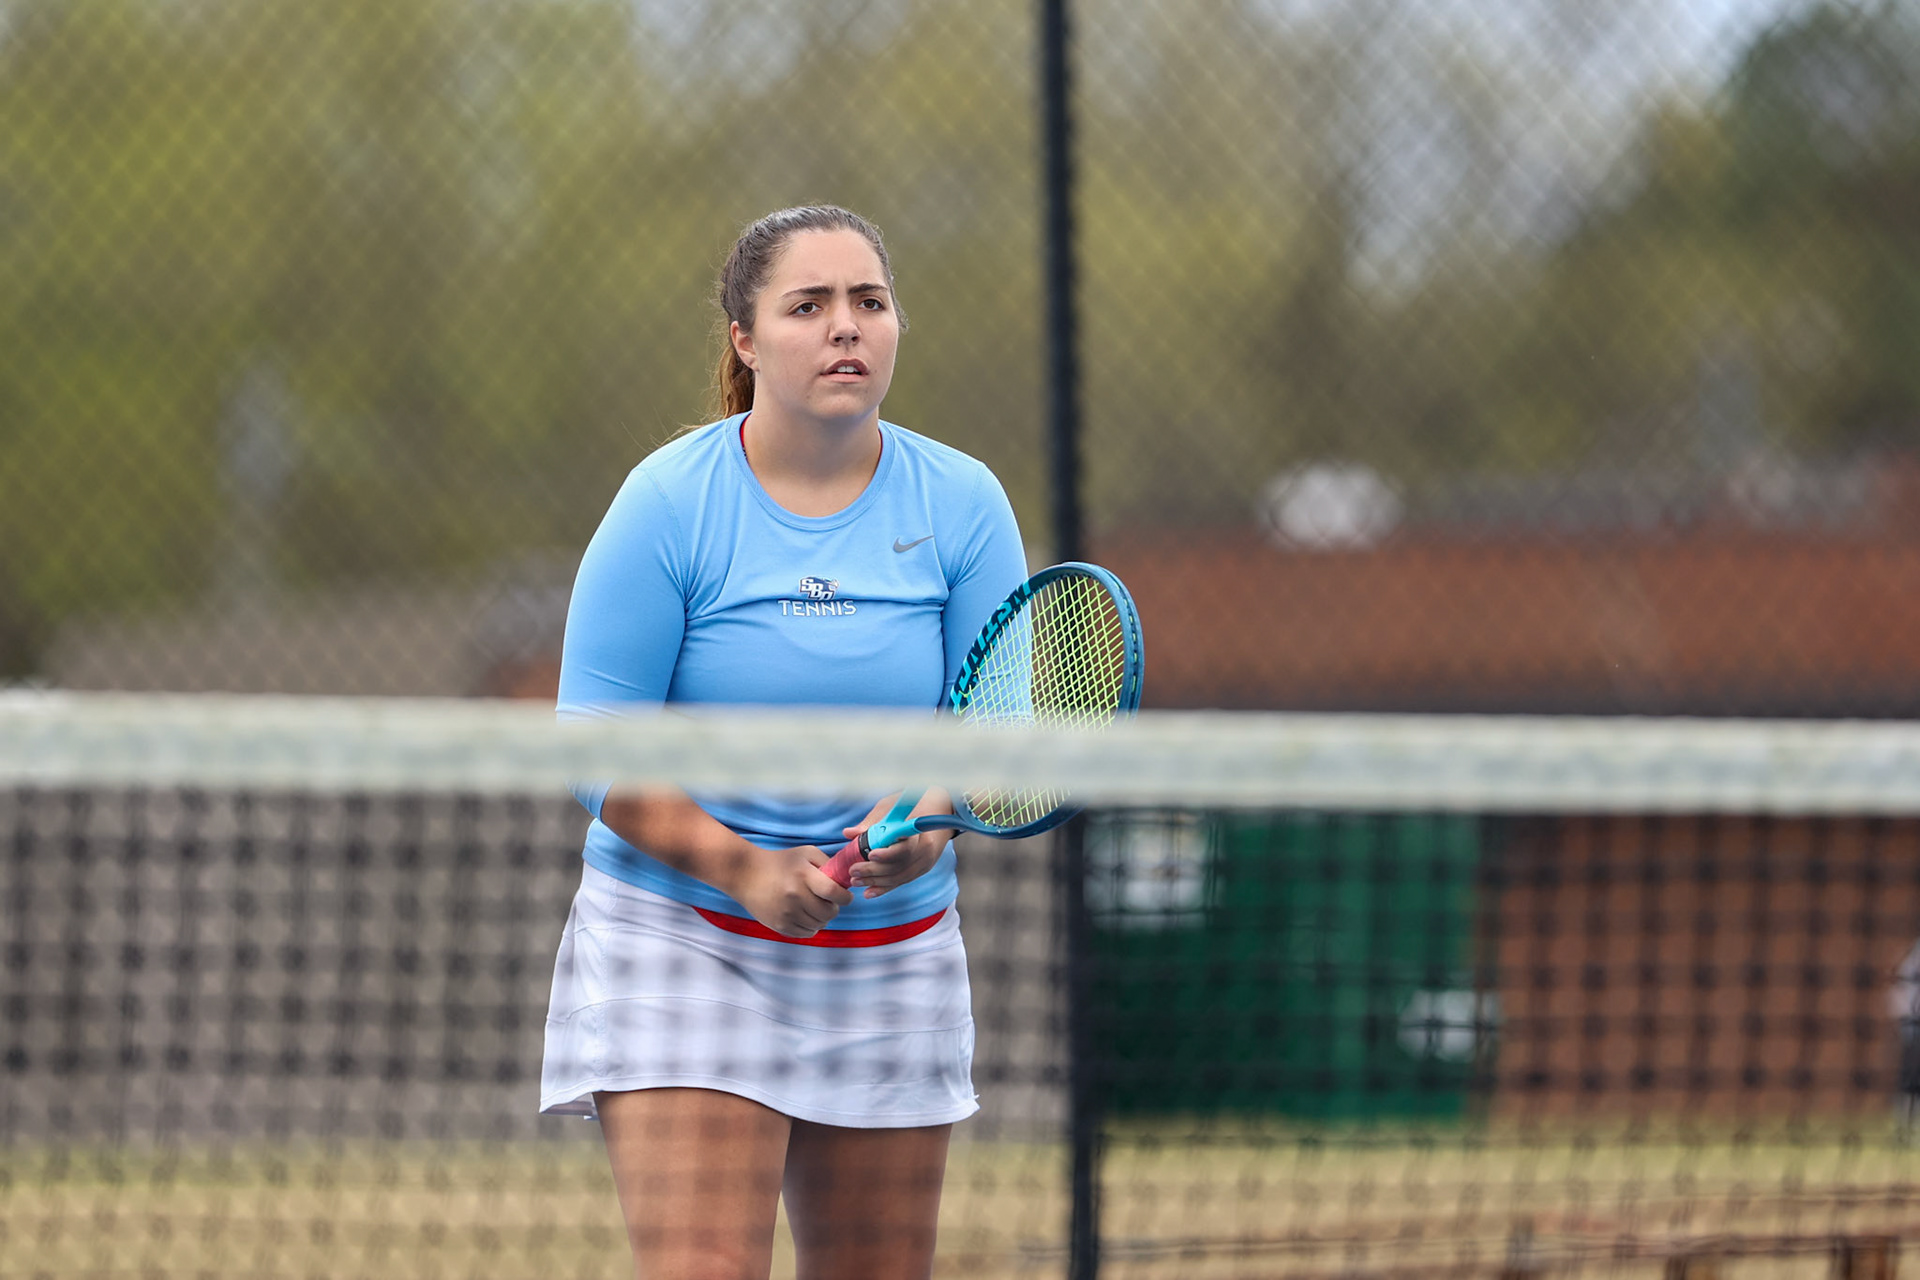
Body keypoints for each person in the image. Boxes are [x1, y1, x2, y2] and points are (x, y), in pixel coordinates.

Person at [540, 205, 1027, 1279]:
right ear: (747, 341)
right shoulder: (668, 502)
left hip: (891, 959)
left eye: (869, 300)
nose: (845, 325)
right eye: (808, 305)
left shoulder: (966, 504)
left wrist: (929, 828)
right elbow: (593, 740)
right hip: (686, 945)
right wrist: (745, 866)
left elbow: (995, 731)